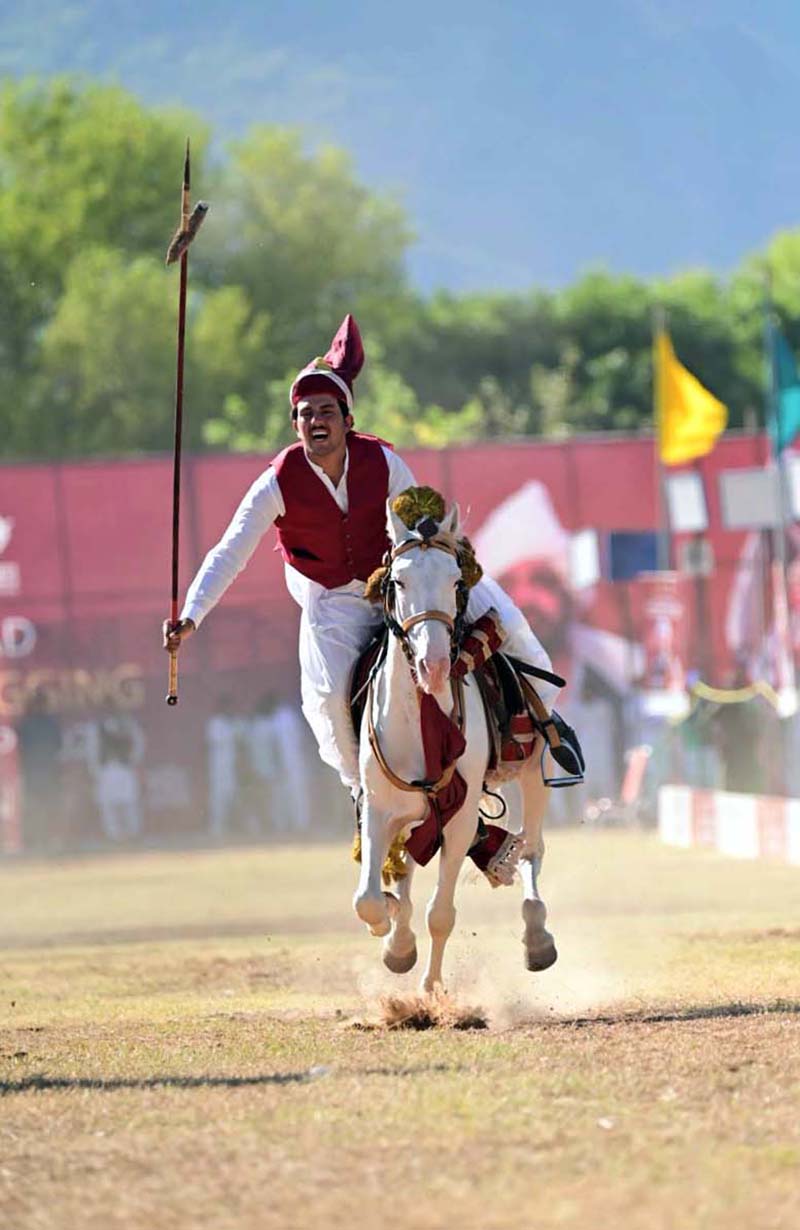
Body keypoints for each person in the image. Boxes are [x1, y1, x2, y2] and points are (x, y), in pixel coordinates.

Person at [163, 315, 558, 806]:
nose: (316, 422)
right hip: (332, 596)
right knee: (326, 699)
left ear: (348, 421)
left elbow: (424, 524)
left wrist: (454, 573)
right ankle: (363, 794)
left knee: (511, 623)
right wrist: (190, 617)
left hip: (401, 579)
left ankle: (543, 728)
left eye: (326, 411)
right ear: (295, 425)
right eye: (305, 414)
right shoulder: (277, 482)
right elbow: (229, 552)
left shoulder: (383, 462)